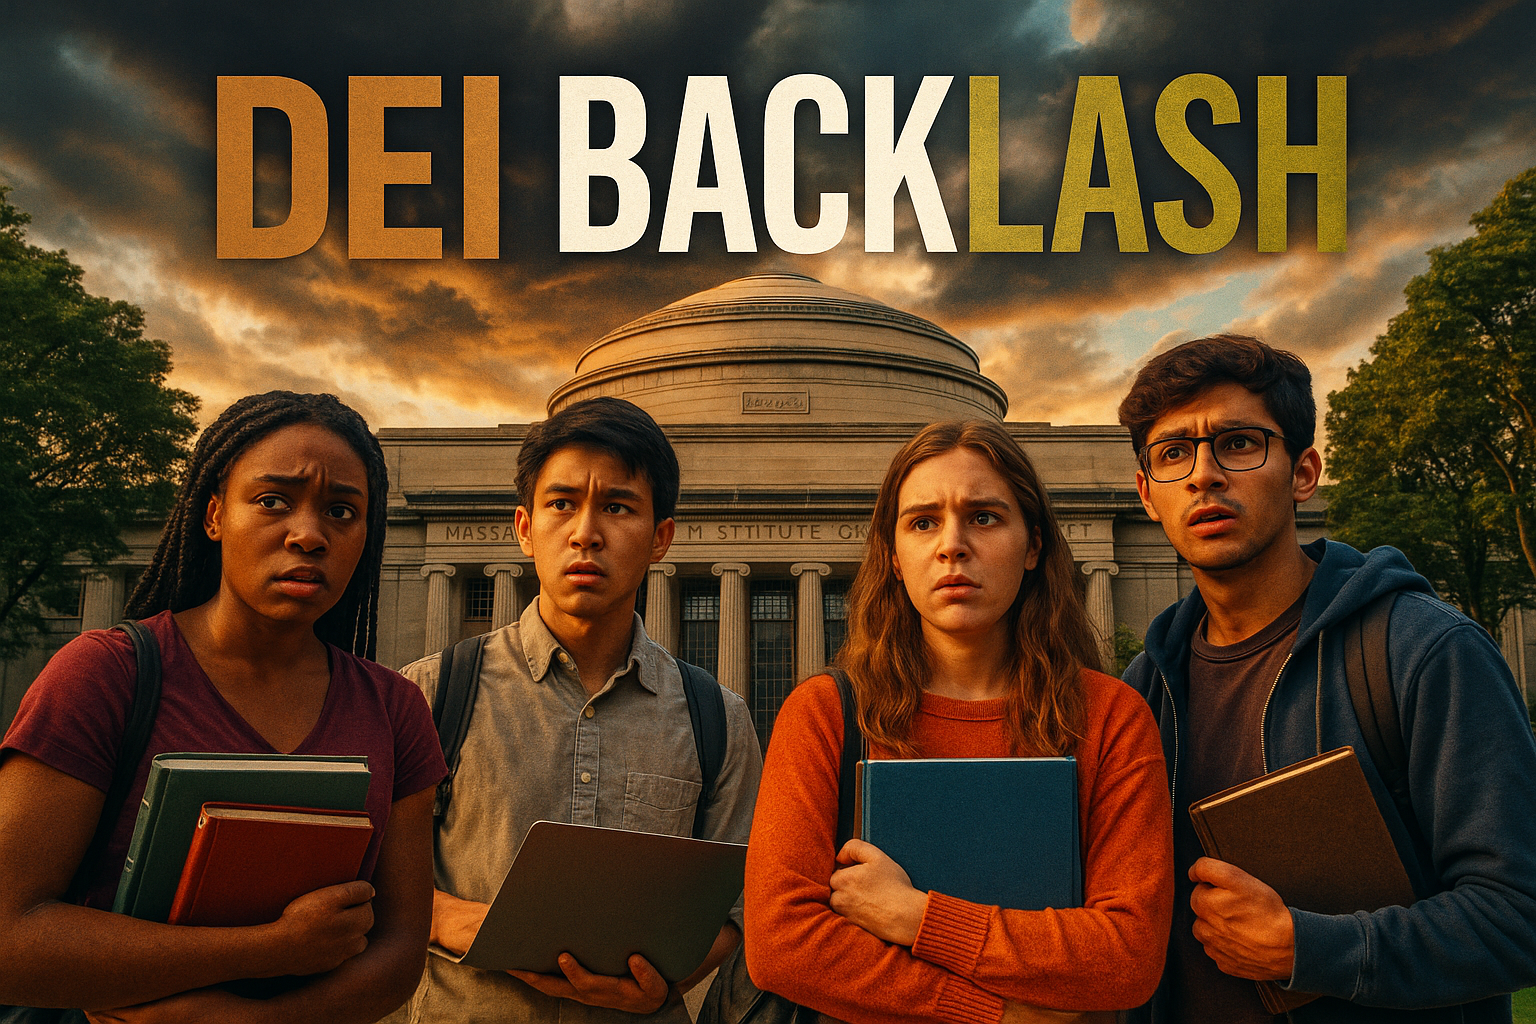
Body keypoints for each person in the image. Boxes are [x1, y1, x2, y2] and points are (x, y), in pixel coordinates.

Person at [1117, 334, 1536, 1023]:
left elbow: (1517, 915)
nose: (1204, 475)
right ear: (1147, 494)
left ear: (1303, 472)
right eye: (1173, 454)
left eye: (1239, 443)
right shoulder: (1143, 692)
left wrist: (1309, 950)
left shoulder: (1423, 650)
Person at [0, 391, 449, 1023]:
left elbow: (401, 949)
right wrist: (268, 949)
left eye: (342, 511)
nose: (308, 535)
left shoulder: (395, 707)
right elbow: (9, 938)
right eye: (272, 501)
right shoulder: (106, 674)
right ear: (214, 515)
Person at [744, 420, 1173, 1024]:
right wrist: (996, 1014)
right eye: (923, 522)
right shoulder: (824, 713)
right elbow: (781, 944)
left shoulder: (1110, 717)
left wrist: (916, 917)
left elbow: (1127, 955)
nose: (952, 545)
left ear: (1033, 547)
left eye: (984, 517)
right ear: (893, 557)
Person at [392, 396, 762, 1024]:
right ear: (524, 527)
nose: (586, 532)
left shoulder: (717, 720)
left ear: (661, 538)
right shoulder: (430, 695)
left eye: (617, 507)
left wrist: (667, 979)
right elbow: (371, 878)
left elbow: (740, 907)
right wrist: (490, 926)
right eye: (561, 503)